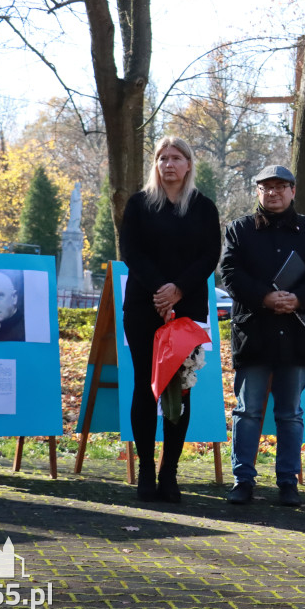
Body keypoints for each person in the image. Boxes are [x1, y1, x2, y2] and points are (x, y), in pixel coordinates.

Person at [219, 165, 305, 507]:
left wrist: (298, 299)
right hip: (254, 331)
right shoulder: (239, 229)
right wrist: (265, 297)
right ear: (257, 192)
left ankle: (288, 482)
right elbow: (229, 272)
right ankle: (243, 480)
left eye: (280, 186)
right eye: (266, 187)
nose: (273, 192)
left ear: (293, 190)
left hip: (297, 333)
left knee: (291, 413)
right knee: (247, 411)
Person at [120, 136, 220, 503]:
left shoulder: (203, 208)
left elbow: (210, 255)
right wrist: (160, 290)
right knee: (147, 387)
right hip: (143, 308)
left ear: (189, 164)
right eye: (162, 158)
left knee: (180, 387)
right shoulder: (139, 204)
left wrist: (177, 290)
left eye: (176, 158)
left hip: (188, 308)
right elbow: (131, 251)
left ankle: (169, 472)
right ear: (156, 165)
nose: (169, 164)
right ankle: (146, 468)